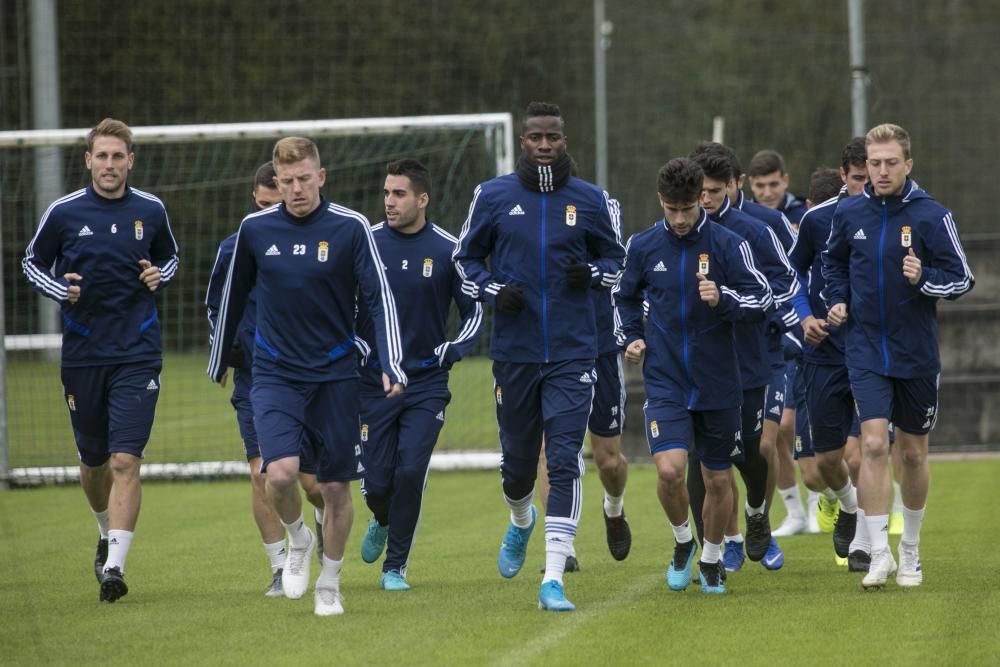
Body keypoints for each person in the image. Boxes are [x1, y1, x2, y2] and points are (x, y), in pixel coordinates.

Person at [208, 136, 406, 616]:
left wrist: (390, 361)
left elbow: (379, 297)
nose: (296, 189)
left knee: (335, 489)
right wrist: (218, 359)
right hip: (274, 371)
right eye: (287, 181)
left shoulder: (350, 227)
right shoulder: (255, 230)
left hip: (336, 374)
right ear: (276, 182)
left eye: (304, 179)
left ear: (321, 177)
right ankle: (298, 541)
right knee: (278, 474)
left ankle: (329, 585)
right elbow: (231, 297)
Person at [454, 101, 625, 611]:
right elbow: (463, 261)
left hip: (574, 352)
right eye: (536, 138)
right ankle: (520, 520)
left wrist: (592, 275)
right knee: (519, 468)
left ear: (564, 139)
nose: (544, 145)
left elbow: (618, 262)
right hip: (516, 352)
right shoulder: (493, 196)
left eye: (553, 136)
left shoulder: (590, 200)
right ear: (523, 142)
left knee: (568, 456)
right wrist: (490, 291)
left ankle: (553, 577)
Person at [22, 118, 180, 603]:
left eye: (118, 156)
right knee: (94, 464)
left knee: (125, 459)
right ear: (88, 160)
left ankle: (114, 566)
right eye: (102, 156)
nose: (110, 165)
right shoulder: (65, 212)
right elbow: (31, 261)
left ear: (131, 161)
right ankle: (102, 528)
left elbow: (171, 258)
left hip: (137, 352)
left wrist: (159, 275)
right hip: (84, 356)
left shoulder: (150, 210)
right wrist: (59, 290)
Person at [823, 123, 974, 589]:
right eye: (874, 163)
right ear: (864, 166)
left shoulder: (932, 216)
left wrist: (923, 277)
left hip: (915, 353)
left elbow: (962, 277)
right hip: (865, 347)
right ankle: (878, 554)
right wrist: (838, 297)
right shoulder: (849, 214)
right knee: (871, 445)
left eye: (891, 163)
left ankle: (910, 551)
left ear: (908, 164)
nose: (882, 171)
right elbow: (832, 262)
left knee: (911, 454)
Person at [616, 157, 773, 595]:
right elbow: (624, 298)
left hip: (720, 381)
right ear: (660, 202)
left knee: (718, 479)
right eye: (672, 210)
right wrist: (630, 337)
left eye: (688, 209)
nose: (681, 219)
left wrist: (723, 299)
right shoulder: (644, 246)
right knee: (669, 471)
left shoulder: (727, 244)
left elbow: (762, 298)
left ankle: (711, 559)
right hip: (665, 379)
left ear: (700, 200)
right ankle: (684, 541)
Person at [356, 159, 483, 591]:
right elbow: (340, 307)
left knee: (410, 471)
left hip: (426, 382)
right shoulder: (365, 244)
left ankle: (395, 567)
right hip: (373, 380)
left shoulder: (449, 249)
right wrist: (356, 347)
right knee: (376, 484)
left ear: (422, 199)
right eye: (387, 193)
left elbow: (474, 311)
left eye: (399, 194)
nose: (389, 202)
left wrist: (453, 349)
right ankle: (381, 516)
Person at [205, 161, 326, 597]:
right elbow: (217, 307)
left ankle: (319, 520)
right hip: (258, 380)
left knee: (314, 484)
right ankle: (280, 566)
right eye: (261, 205)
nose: (269, 214)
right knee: (264, 473)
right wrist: (225, 349)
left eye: (276, 205)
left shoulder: (321, 242)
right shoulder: (235, 248)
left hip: (314, 378)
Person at [687, 149, 800, 573]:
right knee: (708, 457)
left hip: (759, 355)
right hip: (705, 361)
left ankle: (758, 519)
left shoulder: (763, 227)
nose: (705, 200)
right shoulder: (683, 229)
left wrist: (747, 305)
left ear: (735, 184)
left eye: (714, 191)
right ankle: (724, 541)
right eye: (699, 192)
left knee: (762, 447)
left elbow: (789, 282)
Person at [748, 149, 808, 225]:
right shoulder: (741, 217)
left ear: (785, 181)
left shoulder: (805, 216)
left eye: (773, 184)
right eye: (760, 186)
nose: (767, 194)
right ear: (751, 184)